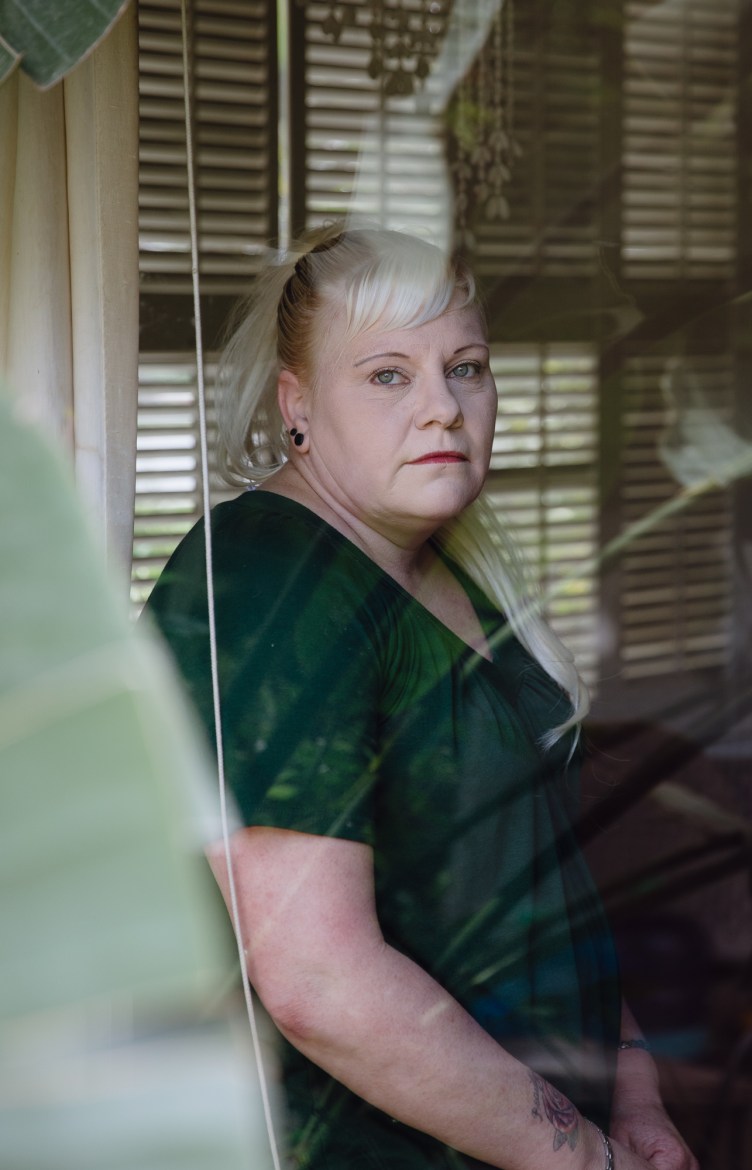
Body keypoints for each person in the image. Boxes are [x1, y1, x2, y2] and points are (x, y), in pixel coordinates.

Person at [146, 226, 698, 1170]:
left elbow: (540, 876)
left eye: (467, 367)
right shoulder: (268, 580)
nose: (444, 407)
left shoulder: (447, 569)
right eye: (389, 375)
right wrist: (581, 1158)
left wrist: (635, 1089)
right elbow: (317, 979)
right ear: (297, 406)